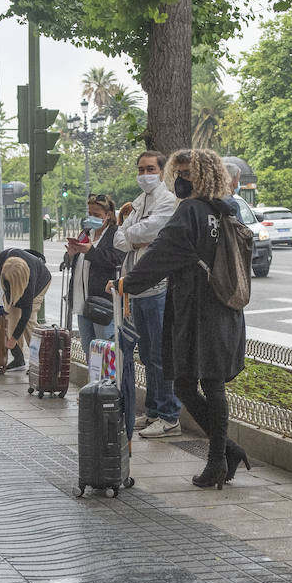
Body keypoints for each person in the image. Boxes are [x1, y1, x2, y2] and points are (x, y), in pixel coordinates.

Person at [120, 148, 250, 489]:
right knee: (201, 382)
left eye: (185, 174)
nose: (178, 180)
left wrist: (127, 282)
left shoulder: (191, 211)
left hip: (198, 311)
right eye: (177, 173)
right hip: (224, 309)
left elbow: (162, 252)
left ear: (201, 177)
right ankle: (227, 452)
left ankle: (218, 460)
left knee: (200, 383)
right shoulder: (225, 212)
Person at [113, 151, 182, 439]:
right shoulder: (139, 202)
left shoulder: (167, 201)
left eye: (150, 169)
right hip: (137, 288)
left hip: (158, 287)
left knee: (159, 355)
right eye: (140, 169)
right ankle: (153, 411)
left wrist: (134, 236)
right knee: (147, 354)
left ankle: (169, 416)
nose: (144, 174)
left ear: (162, 171)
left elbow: (155, 230)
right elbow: (119, 238)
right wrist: (136, 239)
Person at [65, 193, 123, 352]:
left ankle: (109, 378)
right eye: (90, 214)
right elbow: (74, 261)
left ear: (108, 215)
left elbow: (116, 260)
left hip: (102, 302)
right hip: (81, 300)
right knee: (87, 346)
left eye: (97, 215)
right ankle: (94, 376)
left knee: (104, 347)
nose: (92, 218)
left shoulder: (116, 234)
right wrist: (71, 254)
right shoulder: (86, 233)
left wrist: (91, 251)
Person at [0, 248, 51, 371]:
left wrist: (13, 339)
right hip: (16, 279)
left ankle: (41, 360)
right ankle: (18, 359)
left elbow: (25, 315)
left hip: (41, 282)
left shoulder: (30, 282)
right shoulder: (3, 258)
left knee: (29, 321)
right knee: (11, 317)